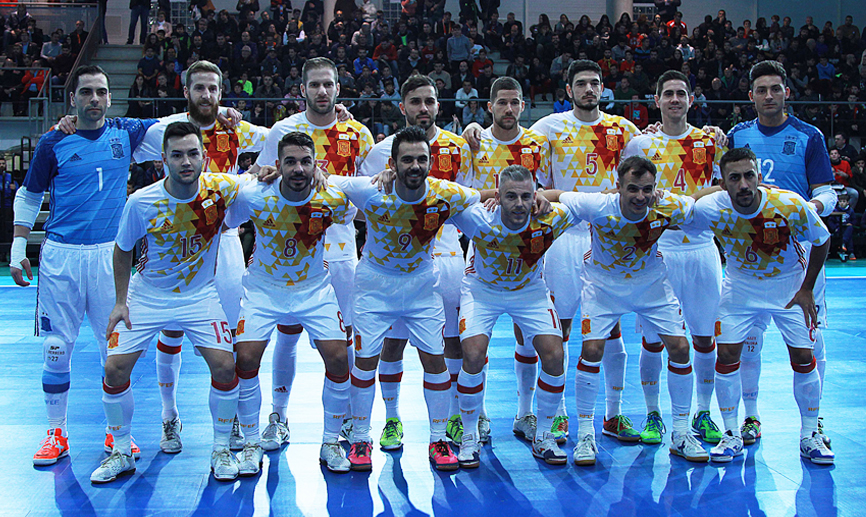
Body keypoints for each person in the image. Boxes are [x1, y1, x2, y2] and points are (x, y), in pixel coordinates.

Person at [467, 60, 642, 443]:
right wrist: (473, 127)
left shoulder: (624, 129)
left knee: (610, 328)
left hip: (609, 237)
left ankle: (612, 415)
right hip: (561, 236)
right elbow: (504, 137)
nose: (588, 89)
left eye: (595, 83)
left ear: (603, 87)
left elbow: (649, 155)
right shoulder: (548, 128)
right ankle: (551, 414)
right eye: (581, 84)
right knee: (552, 329)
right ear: (568, 90)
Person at [90, 122, 254, 484]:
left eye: (193, 153)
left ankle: (221, 449)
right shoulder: (142, 201)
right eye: (177, 155)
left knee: (226, 367)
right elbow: (122, 250)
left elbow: (262, 179)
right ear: (162, 159)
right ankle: (121, 450)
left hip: (199, 296)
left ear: (204, 157)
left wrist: (265, 171)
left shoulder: (222, 189)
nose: (186, 161)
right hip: (148, 294)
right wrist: (120, 302)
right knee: (115, 369)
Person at [11, 66, 156, 467]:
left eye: (102, 92)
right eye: (87, 92)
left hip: (110, 257)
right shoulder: (52, 142)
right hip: (61, 257)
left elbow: (179, 126)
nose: (95, 99)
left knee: (116, 350)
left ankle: (118, 435)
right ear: (72, 99)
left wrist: (224, 116)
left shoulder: (126, 133)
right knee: (56, 348)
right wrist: (17, 247)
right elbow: (28, 196)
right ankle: (56, 433)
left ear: (110, 98)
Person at [540, 156, 711, 466]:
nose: (640, 197)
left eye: (647, 189)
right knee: (591, 350)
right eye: (632, 189)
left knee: (680, 348)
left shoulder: (666, 206)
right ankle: (587, 436)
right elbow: (555, 195)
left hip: (651, 285)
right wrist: (538, 198)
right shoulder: (599, 205)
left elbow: (697, 202)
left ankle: (681, 433)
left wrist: (725, 189)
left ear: (655, 189)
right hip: (603, 286)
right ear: (617, 187)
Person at [329, 125, 482, 471]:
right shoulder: (370, 190)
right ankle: (360, 439)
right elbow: (323, 181)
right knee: (365, 361)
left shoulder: (444, 194)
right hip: (373, 287)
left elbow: (484, 198)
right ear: (393, 163)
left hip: (420, 288)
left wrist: (528, 196)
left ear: (431, 162)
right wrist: (270, 171)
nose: (415, 165)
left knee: (436, 361)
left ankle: (438, 439)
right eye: (407, 159)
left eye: (421, 159)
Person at [248, 57, 374, 445]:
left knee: (344, 340)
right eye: (315, 84)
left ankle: (348, 422)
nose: (322, 91)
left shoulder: (358, 133)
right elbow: (259, 175)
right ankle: (278, 416)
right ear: (302, 89)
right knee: (286, 335)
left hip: (340, 245)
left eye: (329, 84)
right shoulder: (283, 131)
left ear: (339, 89)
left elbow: (368, 186)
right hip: (292, 248)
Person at [688, 147, 834, 465]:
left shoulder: (788, 204)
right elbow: (680, 216)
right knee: (726, 355)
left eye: (749, 176)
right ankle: (730, 434)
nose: (743, 184)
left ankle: (810, 435)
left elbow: (822, 240)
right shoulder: (711, 207)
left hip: (789, 290)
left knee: (803, 357)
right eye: (734, 178)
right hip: (740, 291)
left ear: (759, 177)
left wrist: (808, 288)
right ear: (723, 183)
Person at [357, 75, 474, 450]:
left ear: (440, 105)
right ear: (402, 105)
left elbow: (474, 197)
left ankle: (455, 416)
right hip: (395, 260)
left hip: (448, 251)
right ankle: (392, 419)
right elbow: (360, 208)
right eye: (415, 101)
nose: (423, 108)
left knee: (450, 342)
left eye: (430, 101)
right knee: (391, 344)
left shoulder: (461, 145)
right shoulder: (380, 152)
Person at [227, 131, 353, 474]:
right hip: (263, 289)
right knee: (246, 357)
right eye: (291, 162)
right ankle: (252, 443)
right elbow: (225, 217)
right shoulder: (254, 195)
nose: (298, 168)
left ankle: (330, 442)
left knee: (340, 358)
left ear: (316, 165)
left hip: (314, 289)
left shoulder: (332, 198)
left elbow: (363, 192)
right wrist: (251, 173)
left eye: (305, 162)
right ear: (278, 165)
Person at [727, 60, 836, 448]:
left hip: (797, 249)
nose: (769, 95)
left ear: (786, 92)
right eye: (761, 89)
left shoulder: (809, 136)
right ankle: (750, 419)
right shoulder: (737, 135)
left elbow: (827, 191)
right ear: (751, 95)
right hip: (748, 250)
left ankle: (814, 423)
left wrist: (812, 210)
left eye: (775, 88)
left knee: (811, 337)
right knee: (748, 340)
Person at [622, 70, 726, 446]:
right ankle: (653, 414)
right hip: (659, 250)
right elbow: (628, 193)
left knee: (703, 338)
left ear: (692, 99)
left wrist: (682, 204)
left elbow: (725, 186)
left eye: (682, 93)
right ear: (657, 100)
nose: (675, 99)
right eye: (668, 94)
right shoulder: (640, 145)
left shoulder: (709, 140)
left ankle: (702, 412)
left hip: (700, 249)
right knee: (654, 340)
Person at [451, 164, 571, 467]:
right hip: (482, 291)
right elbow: (438, 196)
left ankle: (543, 433)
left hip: (530, 292)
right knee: (474, 354)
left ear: (535, 196)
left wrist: (545, 196)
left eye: (525, 197)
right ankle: (469, 435)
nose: (519, 204)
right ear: (497, 196)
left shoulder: (550, 218)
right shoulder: (478, 218)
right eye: (510, 196)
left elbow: (583, 200)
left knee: (555, 355)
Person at [466, 77, 552, 443]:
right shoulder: (473, 141)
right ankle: (479, 416)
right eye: (502, 103)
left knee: (527, 335)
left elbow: (546, 189)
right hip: (485, 246)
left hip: (528, 247)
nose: (509, 109)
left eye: (515, 102)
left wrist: (541, 199)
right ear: (490, 106)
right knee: (474, 344)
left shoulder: (537, 142)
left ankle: (525, 412)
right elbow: (462, 191)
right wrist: (494, 197)